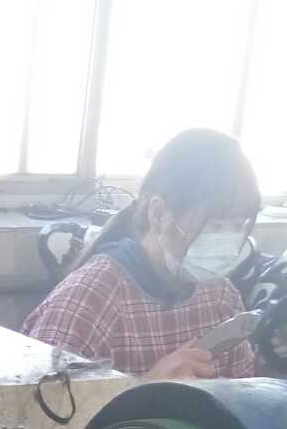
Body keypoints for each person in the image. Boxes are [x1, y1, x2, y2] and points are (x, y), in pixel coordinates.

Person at [22, 128, 261, 382]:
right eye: (215, 225)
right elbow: (35, 401)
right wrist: (145, 387)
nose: (225, 242)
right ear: (158, 214)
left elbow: (245, 393)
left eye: (238, 226)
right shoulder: (87, 301)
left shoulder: (220, 296)